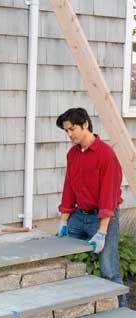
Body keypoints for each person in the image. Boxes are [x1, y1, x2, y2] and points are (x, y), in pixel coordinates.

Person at [56, 107, 127, 307]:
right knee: (58, 253)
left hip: (103, 217)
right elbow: (69, 187)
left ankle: (122, 312)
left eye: (72, 129)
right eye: (66, 131)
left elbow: (109, 195)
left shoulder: (106, 155)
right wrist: (64, 221)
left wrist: (102, 232)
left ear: (85, 124)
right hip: (78, 216)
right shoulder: (73, 154)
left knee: (108, 269)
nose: (69, 134)